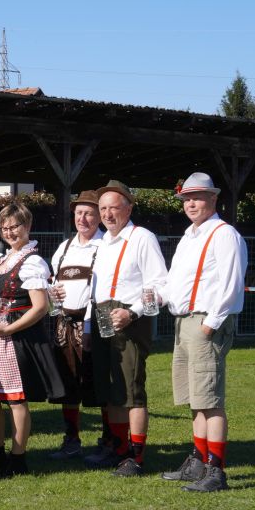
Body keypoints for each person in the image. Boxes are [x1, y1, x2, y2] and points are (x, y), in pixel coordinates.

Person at [161, 172, 248, 492]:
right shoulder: (190, 236)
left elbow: (231, 283)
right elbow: (175, 282)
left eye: (197, 197)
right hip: (185, 322)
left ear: (213, 199)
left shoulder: (224, 235)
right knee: (196, 399)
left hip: (205, 322)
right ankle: (199, 461)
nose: (191, 204)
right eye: (186, 198)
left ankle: (216, 469)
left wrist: (211, 323)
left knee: (210, 399)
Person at [0, 199, 67, 479]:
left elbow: (40, 307)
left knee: (15, 399)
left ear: (28, 226)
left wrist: (10, 329)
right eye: (5, 228)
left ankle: (18, 457)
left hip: (15, 336)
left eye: (15, 227)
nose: (10, 232)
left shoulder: (32, 261)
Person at [83, 181, 169, 477]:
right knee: (112, 389)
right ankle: (118, 450)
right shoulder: (102, 242)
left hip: (129, 318)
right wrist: (89, 325)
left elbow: (159, 284)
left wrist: (132, 313)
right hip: (102, 316)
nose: (107, 214)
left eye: (113, 208)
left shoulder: (141, 237)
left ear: (129, 209)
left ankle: (136, 455)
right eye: (103, 209)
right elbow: (96, 289)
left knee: (131, 390)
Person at [46, 188, 105, 459]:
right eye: (79, 213)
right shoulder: (65, 247)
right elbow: (52, 282)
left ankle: (109, 438)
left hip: (91, 323)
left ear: (99, 217)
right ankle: (72, 439)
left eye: (89, 214)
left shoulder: (104, 246)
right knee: (68, 383)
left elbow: (102, 290)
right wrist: (52, 292)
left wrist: (90, 327)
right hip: (64, 322)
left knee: (98, 382)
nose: (83, 219)